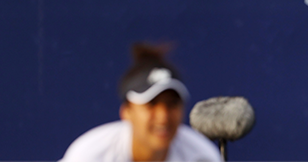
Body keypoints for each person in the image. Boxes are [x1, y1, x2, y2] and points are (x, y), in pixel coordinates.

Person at [61, 43, 223, 162]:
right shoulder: (90, 155)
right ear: (127, 112)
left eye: (172, 104)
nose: (163, 116)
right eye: (151, 104)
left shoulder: (202, 156)